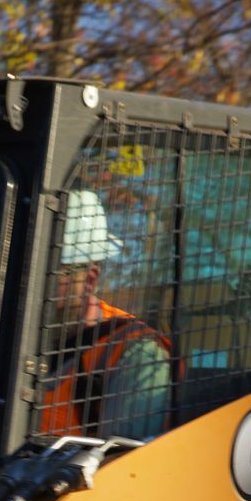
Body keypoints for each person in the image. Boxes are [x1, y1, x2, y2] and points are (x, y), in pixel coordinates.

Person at [37, 189, 173, 440]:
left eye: (42, 276)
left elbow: (127, 469)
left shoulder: (135, 353)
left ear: (89, 280)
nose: (28, 289)